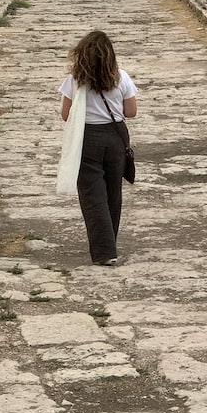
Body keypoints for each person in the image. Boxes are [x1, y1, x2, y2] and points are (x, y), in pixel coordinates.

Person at [58, 30, 138, 266]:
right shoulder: (121, 78)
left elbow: (65, 115)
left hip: (87, 138)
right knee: (113, 192)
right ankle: (109, 240)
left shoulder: (74, 80)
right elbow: (131, 111)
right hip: (115, 138)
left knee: (93, 196)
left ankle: (105, 252)